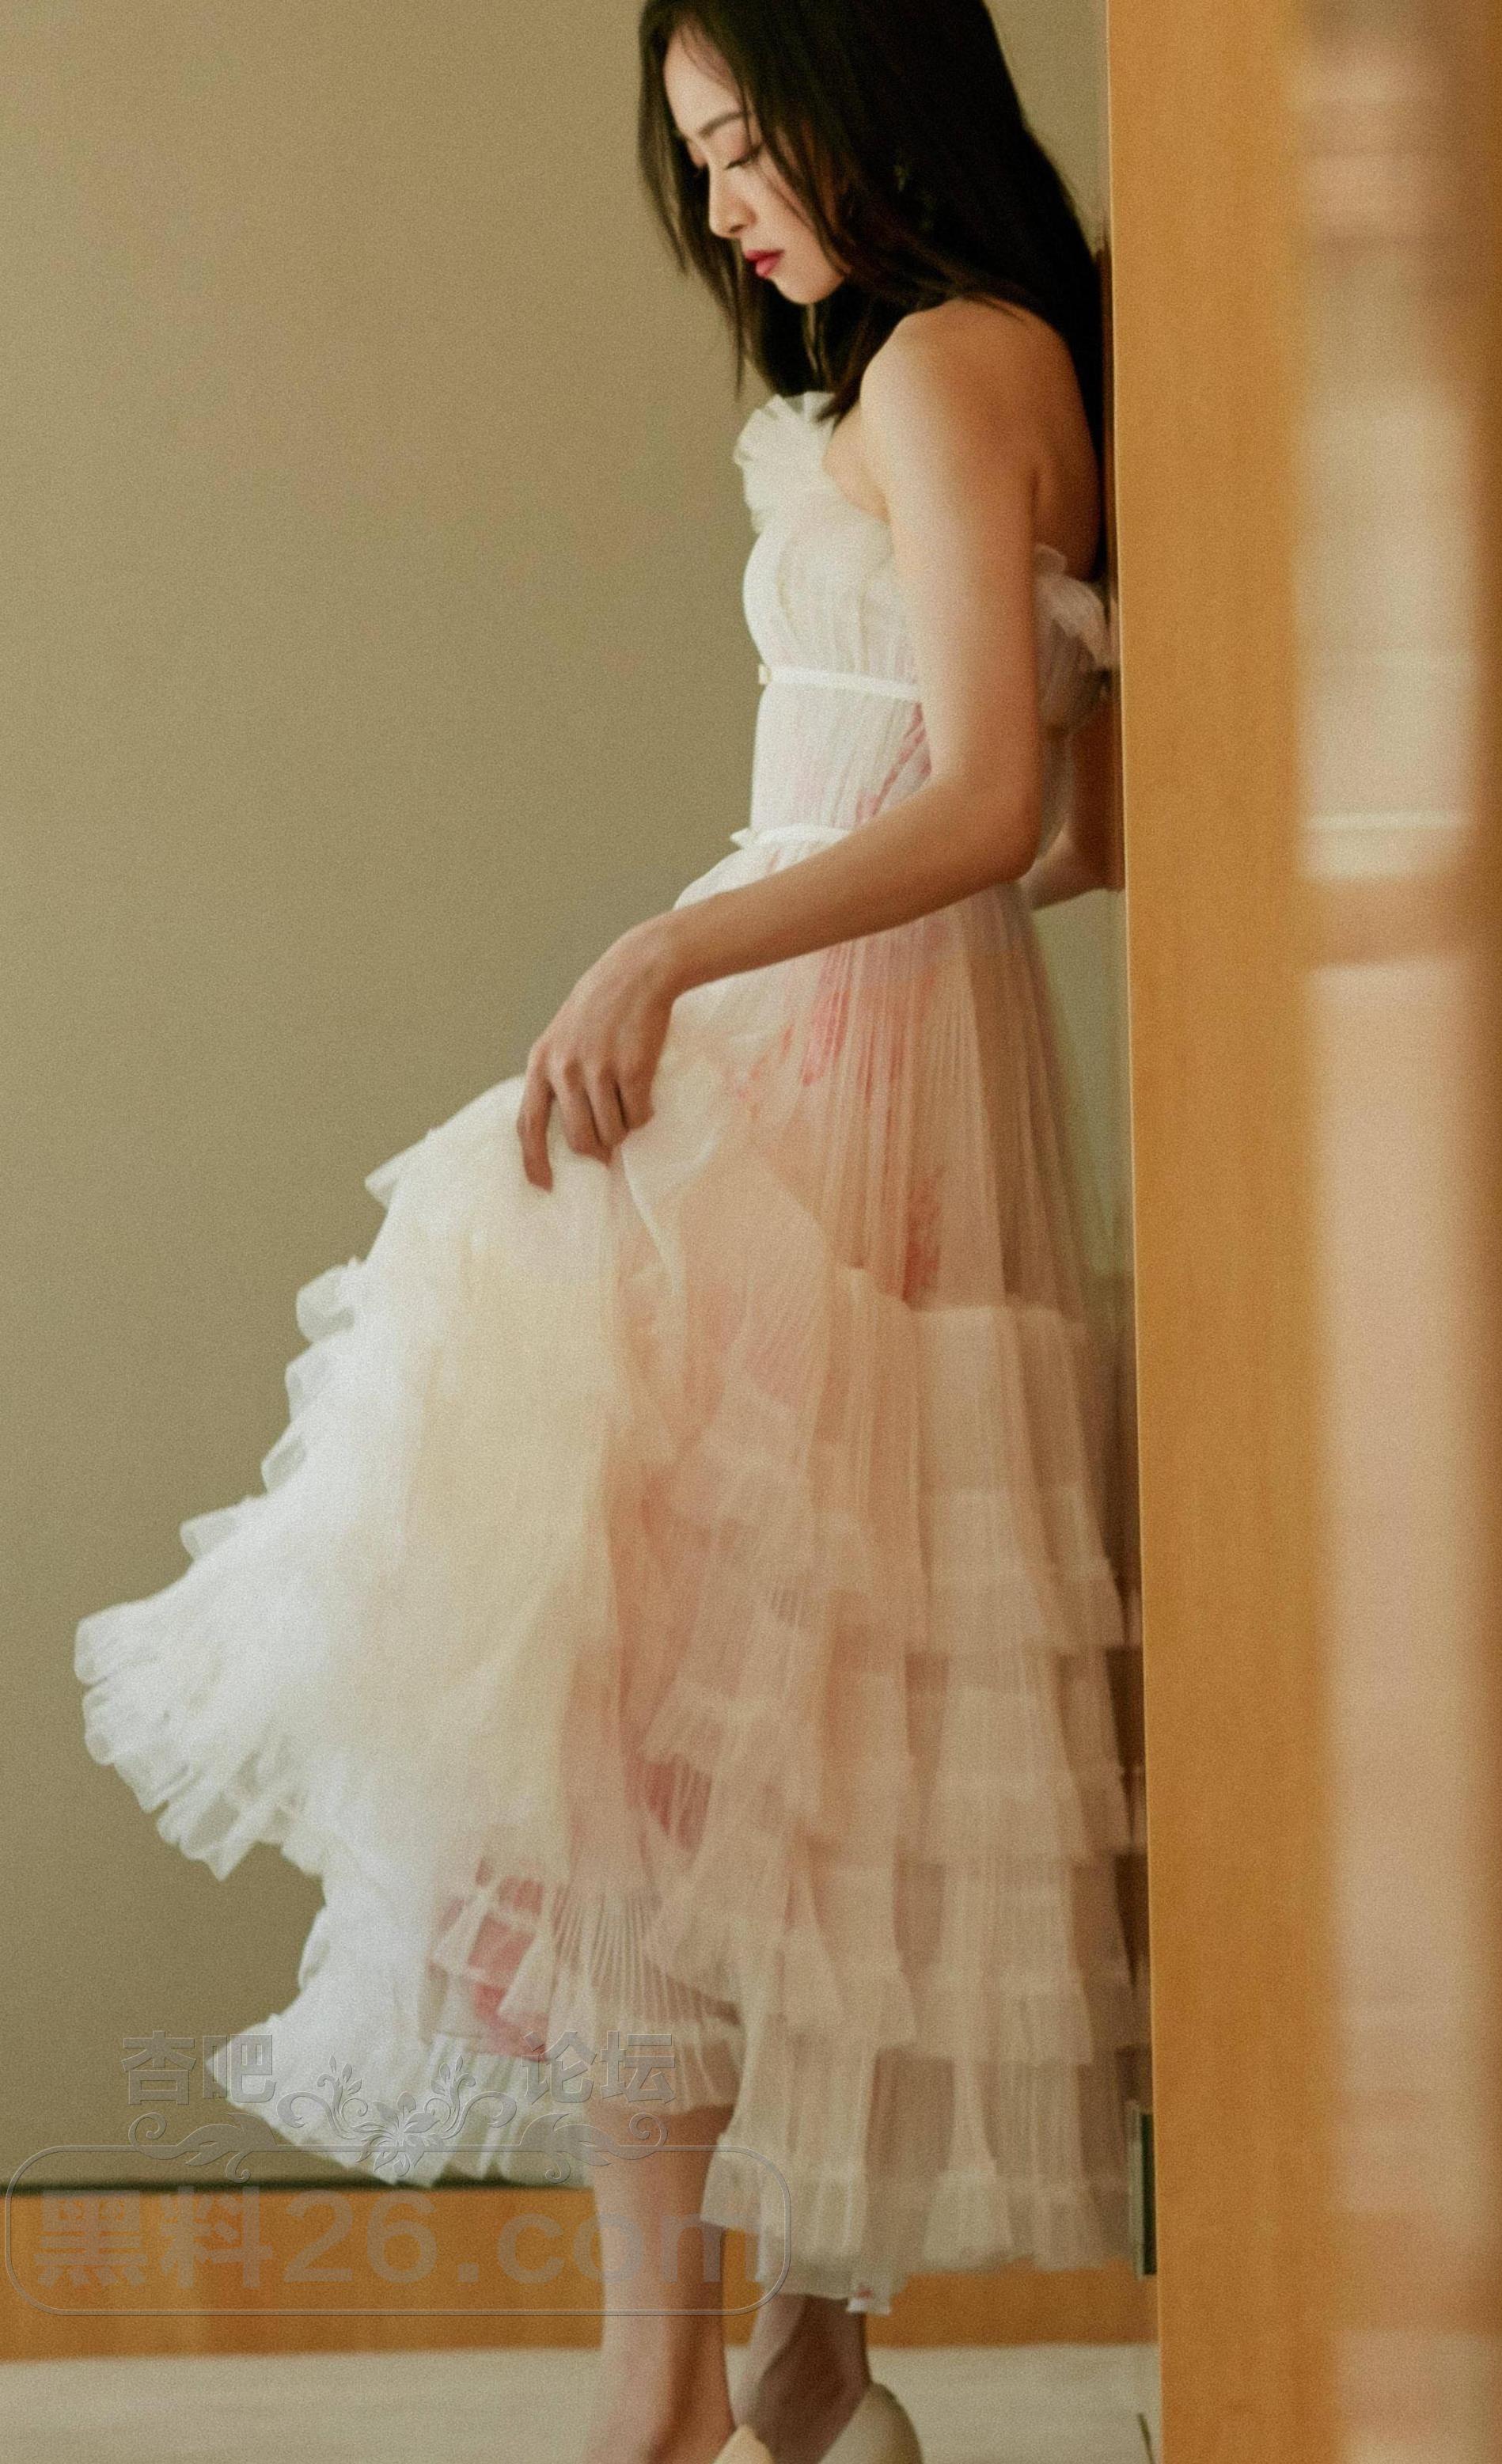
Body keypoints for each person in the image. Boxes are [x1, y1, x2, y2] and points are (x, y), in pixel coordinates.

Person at [74, 4, 1138, 2460]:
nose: (729, 208)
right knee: (801, 1717)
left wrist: (678, 944)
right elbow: (1072, 828)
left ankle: (667, 2392)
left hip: (835, 1073)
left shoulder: (944, 368)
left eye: (751, 146)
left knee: (650, 1727)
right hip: (909, 1061)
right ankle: (803, 2355)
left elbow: (993, 800)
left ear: (874, 103)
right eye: (704, 161)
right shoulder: (1023, 367)